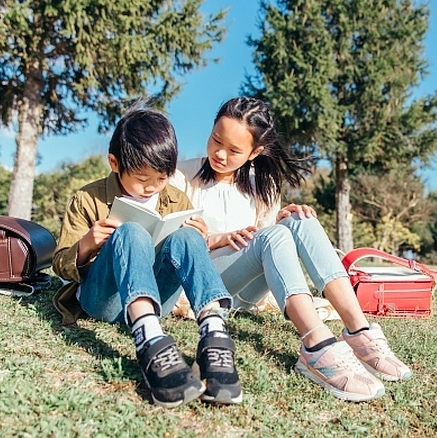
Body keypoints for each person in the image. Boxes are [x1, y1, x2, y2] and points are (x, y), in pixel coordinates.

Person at [170, 97, 412, 403]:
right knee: (273, 236)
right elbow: (173, 248)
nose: (220, 153)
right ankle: (316, 345)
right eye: (216, 140)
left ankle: (359, 330)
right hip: (203, 285)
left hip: (248, 291)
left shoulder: (264, 186)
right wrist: (219, 238)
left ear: (255, 153)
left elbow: (267, 238)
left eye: (234, 151)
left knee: (300, 219)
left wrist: (284, 220)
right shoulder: (180, 176)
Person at [52, 103, 242, 408]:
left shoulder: (176, 199)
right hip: (103, 300)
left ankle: (214, 335)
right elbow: (61, 265)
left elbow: (184, 254)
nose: (151, 187)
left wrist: (199, 237)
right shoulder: (87, 197)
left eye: (162, 178)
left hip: (157, 297)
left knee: (187, 234)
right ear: (114, 163)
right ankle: (150, 341)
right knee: (130, 232)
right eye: (142, 178)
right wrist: (87, 243)